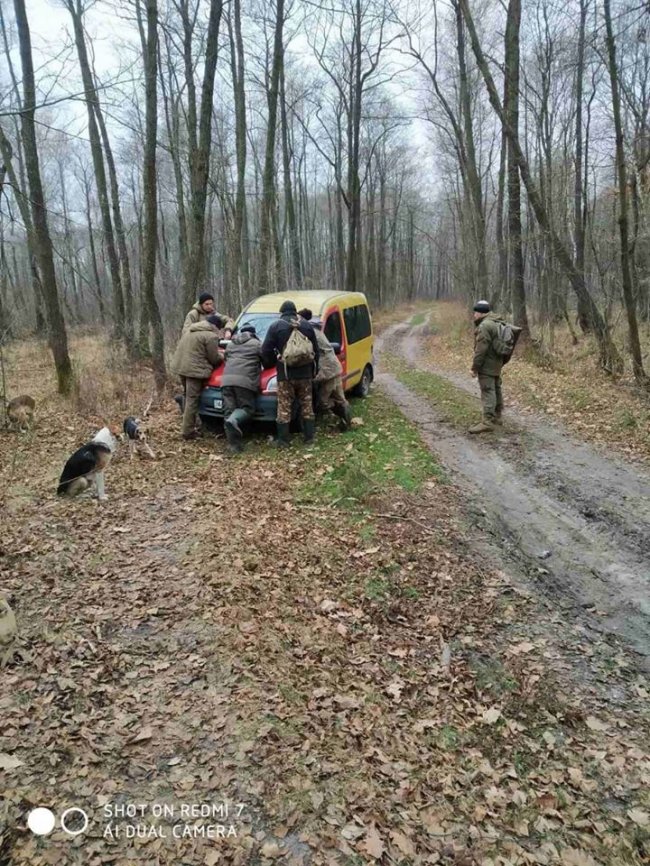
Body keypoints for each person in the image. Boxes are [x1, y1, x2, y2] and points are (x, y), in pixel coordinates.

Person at [261, 300, 319, 447]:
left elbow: (266, 349)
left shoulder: (276, 326)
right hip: (305, 374)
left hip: (285, 375)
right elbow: (316, 351)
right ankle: (309, 439)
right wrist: (314, 370)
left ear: (282, 312)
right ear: (295, 311)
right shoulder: (306, 326)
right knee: (307, 404)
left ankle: (283, 440)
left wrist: (270, 363)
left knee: (284, 407)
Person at [172, 314, 224, 440]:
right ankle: (188, 432)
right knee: (192, 399)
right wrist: (223, 355)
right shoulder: (210, 336)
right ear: (216, 327)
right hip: (194, 371)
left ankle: (190, 424)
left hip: (181, 367)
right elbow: (214, 358)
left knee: (186, 396)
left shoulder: (191, 330)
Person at [298, 308, 351, 430]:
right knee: (340, 398)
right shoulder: (316, 330)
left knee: (323, 401)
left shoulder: (309, 332)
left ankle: (340, 420)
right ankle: (346, 422)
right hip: (334, 368)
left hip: (328, 370)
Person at [221, 323, 264, 453]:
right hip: (245, 381)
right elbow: (267, 360)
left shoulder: (231, 344)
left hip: (226, 381)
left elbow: (226, 359)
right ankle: (234, 420)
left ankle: (234, 446)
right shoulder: (257, 344)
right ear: (253, 333)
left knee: (229, 411)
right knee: (247, 409)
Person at [470, 300, 507, 434]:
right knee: (496, 389)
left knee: (487, 391)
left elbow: (481, 349)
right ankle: (497, 417)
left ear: (480, 313)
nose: (474, 315)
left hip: (487, 364)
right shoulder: (497, 322)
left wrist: (475, 367)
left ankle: (487, 421)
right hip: (497, 362)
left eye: (475, 312)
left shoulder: (485, 326)